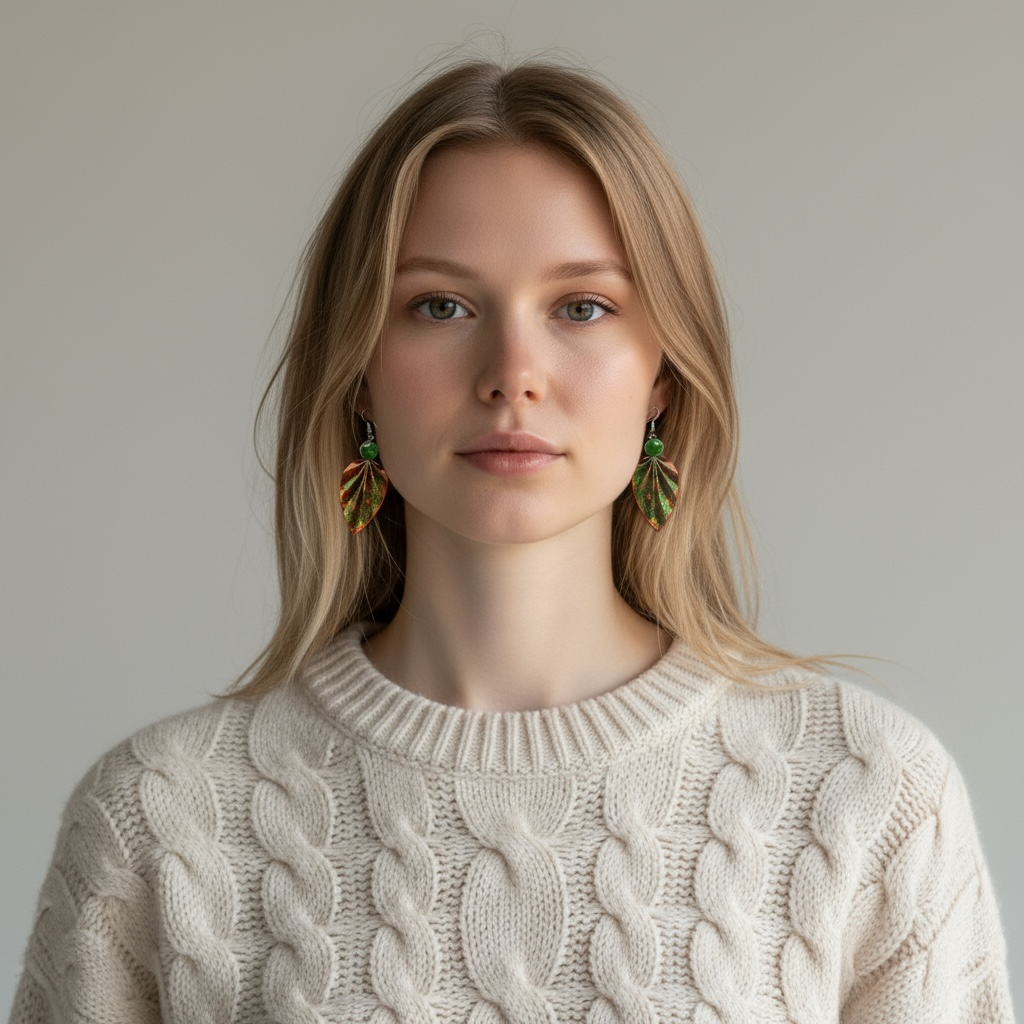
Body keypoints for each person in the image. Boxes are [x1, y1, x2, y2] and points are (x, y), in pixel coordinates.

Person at [9, 57, 1013, 1024]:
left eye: (582, 306)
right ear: (358, 370)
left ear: (662, 375)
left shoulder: (864, 791)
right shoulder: (161, 818)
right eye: (439, 305)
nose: (512, 373)